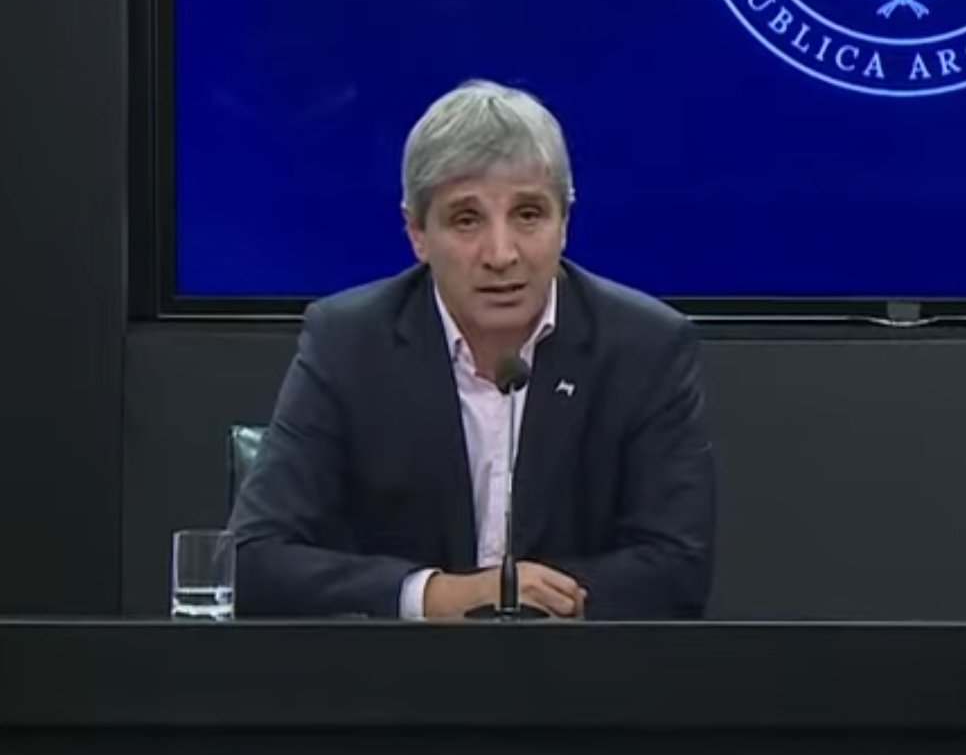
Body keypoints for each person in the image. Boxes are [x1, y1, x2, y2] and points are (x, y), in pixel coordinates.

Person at [231, 80, 715, 620]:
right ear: (417, 233)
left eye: (528, 214)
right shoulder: (350, 343)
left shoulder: (645, 348)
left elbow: (678, 567)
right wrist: (435, 596)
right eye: (466, 219)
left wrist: (527, 603)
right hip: (391, 670)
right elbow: (253, 560)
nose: (501, 254)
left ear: (565, 223)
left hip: (583, 669)